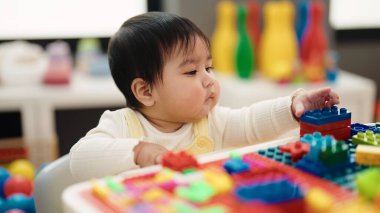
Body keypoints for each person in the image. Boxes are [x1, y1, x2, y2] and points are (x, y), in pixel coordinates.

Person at [69, 12, 339, 180]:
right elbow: (80, 159)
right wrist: (140, 151)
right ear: (146, 91)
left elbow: (250, 123)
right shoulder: (123, 126)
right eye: (191, 72)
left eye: (208, 67)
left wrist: (292, 107)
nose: (209, 79)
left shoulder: (210, 121)